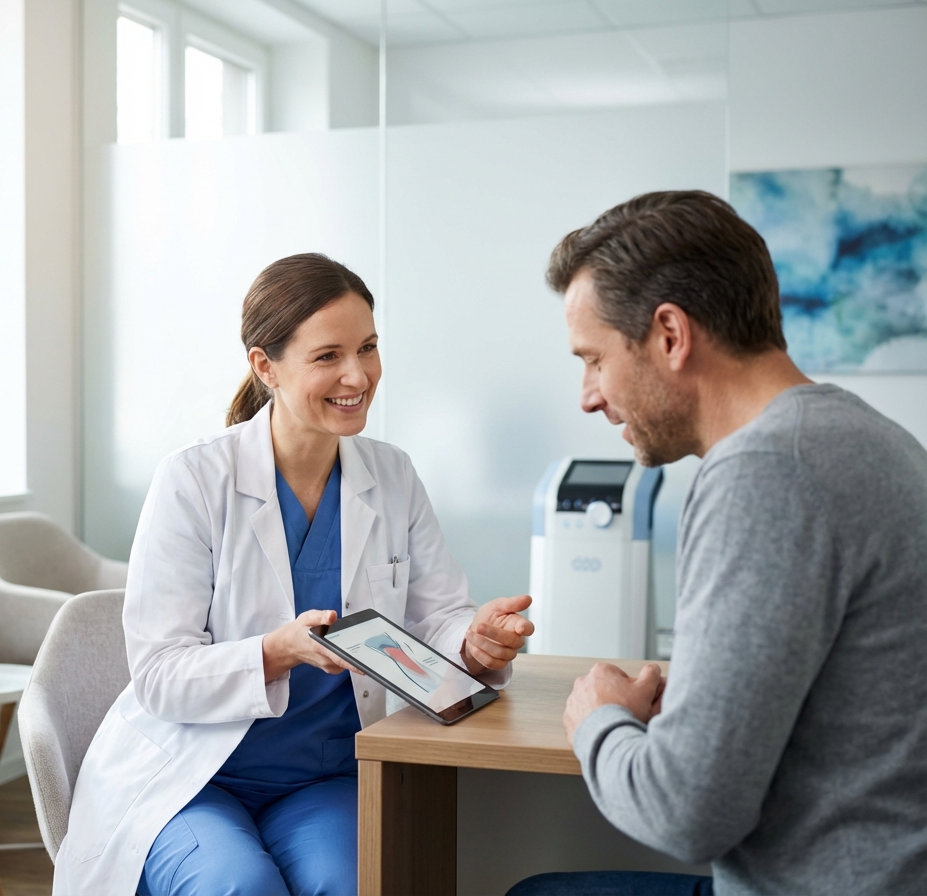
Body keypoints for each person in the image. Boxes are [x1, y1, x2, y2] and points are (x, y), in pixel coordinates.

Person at [54, 253, 534, 896]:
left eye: (367, 348)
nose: (357, 375)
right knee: (241, 887)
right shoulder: (195, 480)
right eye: (327, 355)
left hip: (325, 777)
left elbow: (437, 616)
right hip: (194, 777)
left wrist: (472, 641)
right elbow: (160, 674)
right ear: (264, 366)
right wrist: (275, 652)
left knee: (350, 884)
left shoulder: (391, 476)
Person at [509, 191, 927, 896]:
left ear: (670, 335)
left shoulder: (766, 473)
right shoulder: (866, 437)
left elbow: (684, 816)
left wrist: (596, 719)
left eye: (594, 360)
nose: (587, 396)